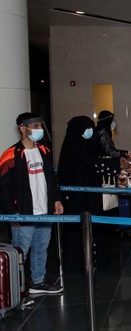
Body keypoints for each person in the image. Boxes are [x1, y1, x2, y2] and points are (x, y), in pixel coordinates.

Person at [0, 113, 63, 294]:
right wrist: (12, 212)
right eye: (34, 126)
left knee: (41, 249)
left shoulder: (44, 151)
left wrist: (56, 200)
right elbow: (3, 187)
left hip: (44, 210)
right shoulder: (11, 155)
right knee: (20, 252)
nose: (39, 130)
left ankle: (37, 281)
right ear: (22, 128)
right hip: (24, 212)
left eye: (39, 126)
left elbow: (51, 179)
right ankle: (16, 291)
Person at [58, 116, 109, 271]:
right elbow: (89, 163)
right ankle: (80, 262)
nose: (90, 131)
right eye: (86, 128)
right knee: (78, 229)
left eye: (90, 127)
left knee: (87, 226)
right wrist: (114, 164)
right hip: (78, 196)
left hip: (86, 193)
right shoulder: (76, 145)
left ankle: (89, 260)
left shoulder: (84, 144)